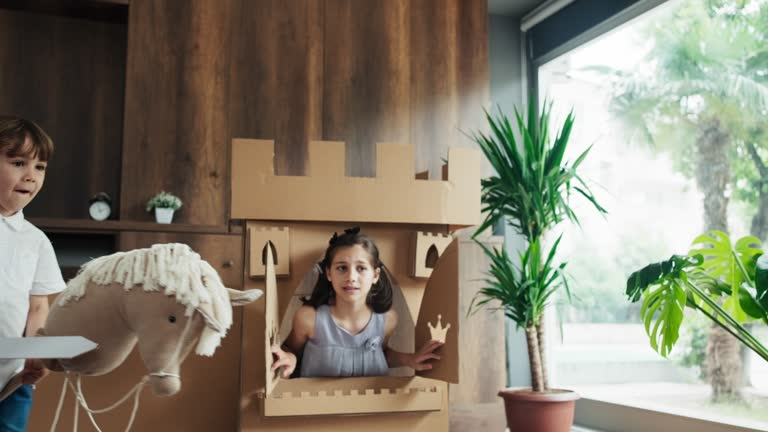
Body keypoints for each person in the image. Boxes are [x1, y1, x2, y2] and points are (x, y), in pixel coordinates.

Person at [270, 227, 444, 378]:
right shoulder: (309, 318)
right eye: (341, 268)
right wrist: (289, 359)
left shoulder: (388, 320)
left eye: (361, 268)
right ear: (329, 273)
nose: (351, 277)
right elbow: (291, 350)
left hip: (372, 412)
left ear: (375, 275)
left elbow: (380, 354)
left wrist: (410, 359)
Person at [0, 116, 66, 431]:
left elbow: (38, 306)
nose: (31, 175)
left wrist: (37, 354)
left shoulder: (36, 241)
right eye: (18, 162)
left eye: (40, 167)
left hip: (14, 378)